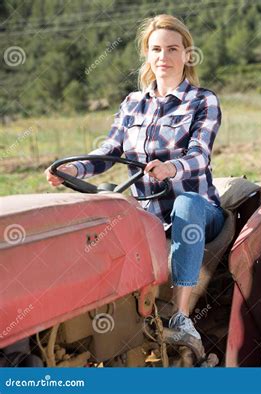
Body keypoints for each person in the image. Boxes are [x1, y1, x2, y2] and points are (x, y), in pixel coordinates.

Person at [44, 14, 225, 340]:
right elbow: (108, 151)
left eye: (173, 49)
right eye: (156, 49)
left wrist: (171, 168)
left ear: (187, 54)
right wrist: (73, 169)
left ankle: (182, 318)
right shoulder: (132, 105)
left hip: (199, 210)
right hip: (149, 215)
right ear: (147, 54)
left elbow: (200, 155)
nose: (164, 57)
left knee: (186, 204)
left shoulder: (202, 100)